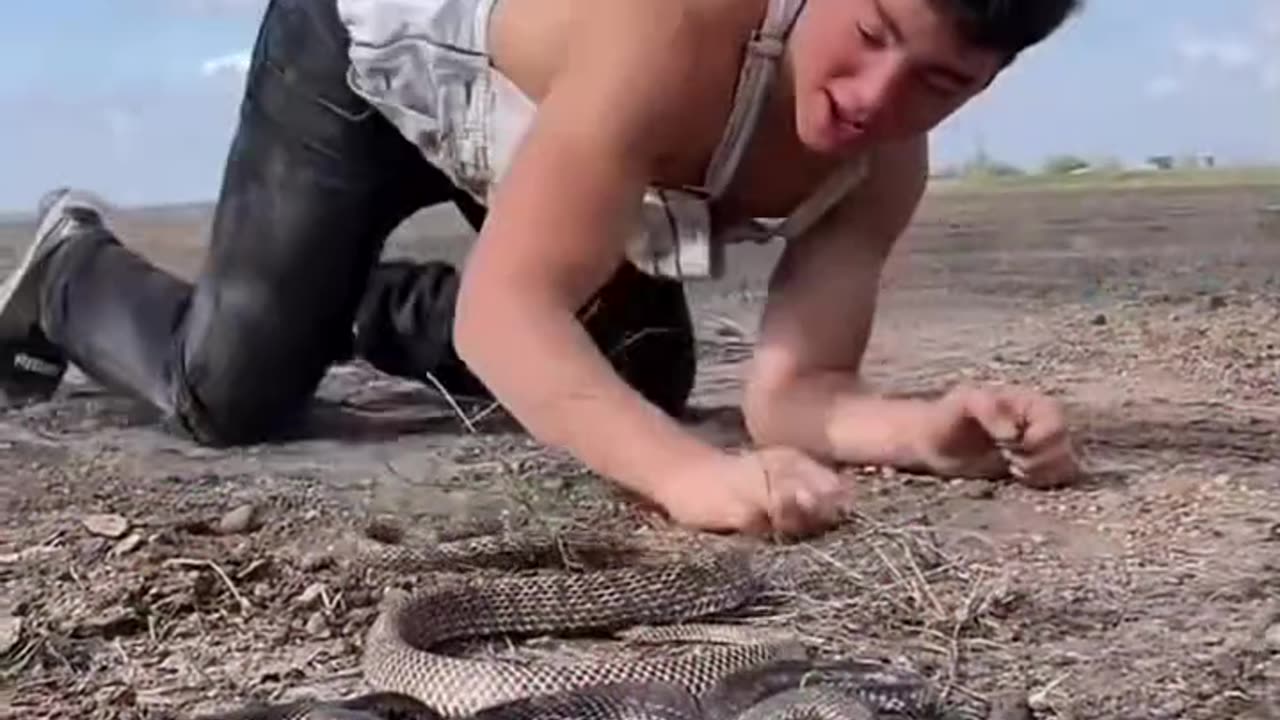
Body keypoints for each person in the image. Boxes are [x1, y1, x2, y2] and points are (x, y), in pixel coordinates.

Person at [0, 0, 1084, 538]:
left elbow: (796, 397)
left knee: (638, 370)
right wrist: (687, 479)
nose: (873, 99)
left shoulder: (879, 168)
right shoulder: (677, 27)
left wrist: (920, 432)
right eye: (873, 29)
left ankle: (336, 302)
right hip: (362, 62)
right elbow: (509, 318)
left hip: (530, 136)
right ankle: (68, 271)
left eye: (937, 82)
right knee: (228, 392)